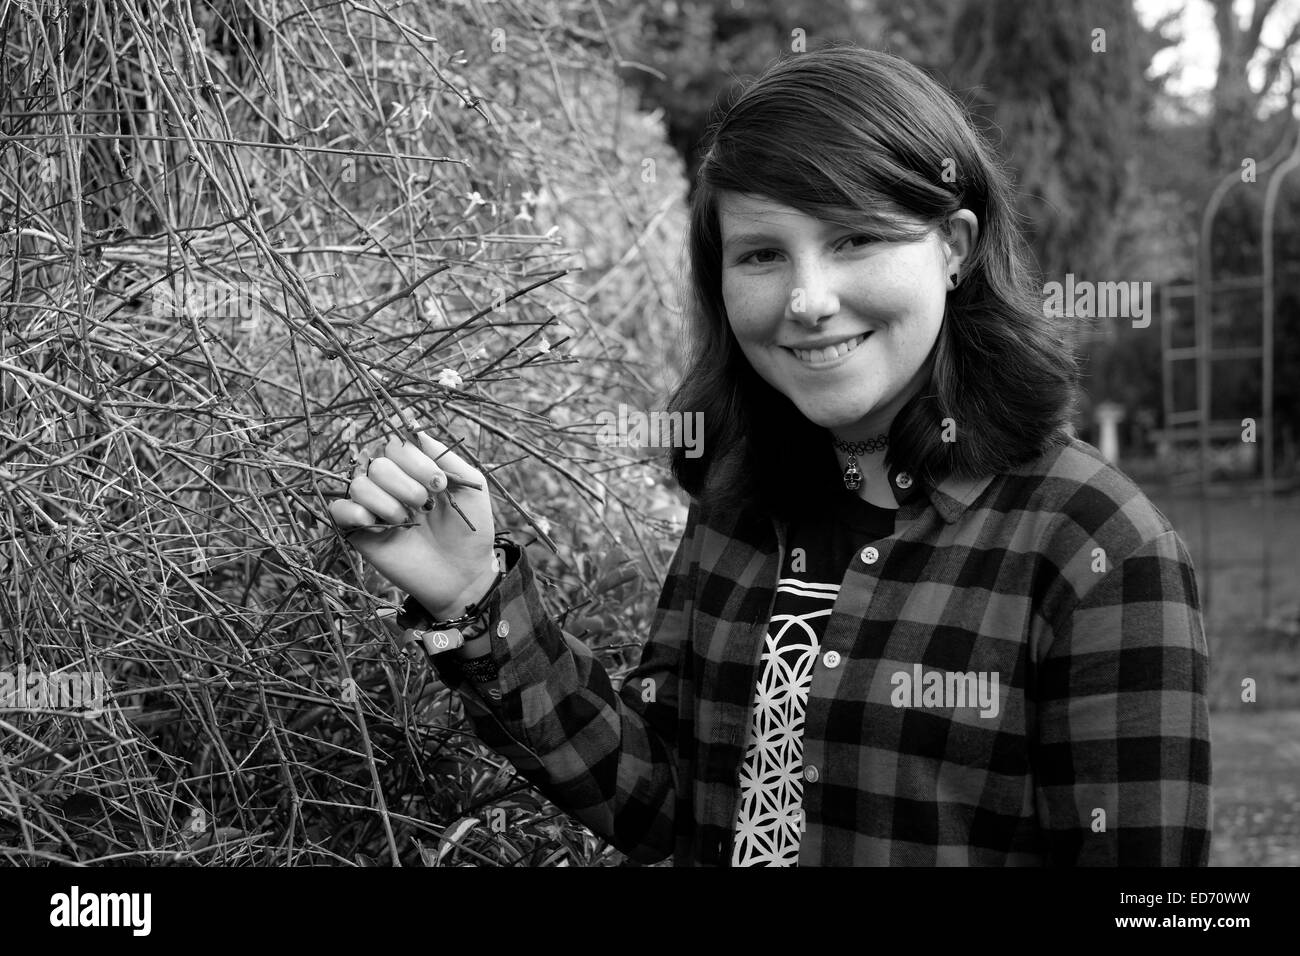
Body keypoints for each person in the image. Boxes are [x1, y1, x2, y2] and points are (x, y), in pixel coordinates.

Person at [329, 44, 1211, 866]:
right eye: (761, 253)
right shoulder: (741, 506)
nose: (808, 299)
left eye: (854, 239)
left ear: (954, 247)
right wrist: (476, 596)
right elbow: (662, 803)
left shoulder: (1095, 548)